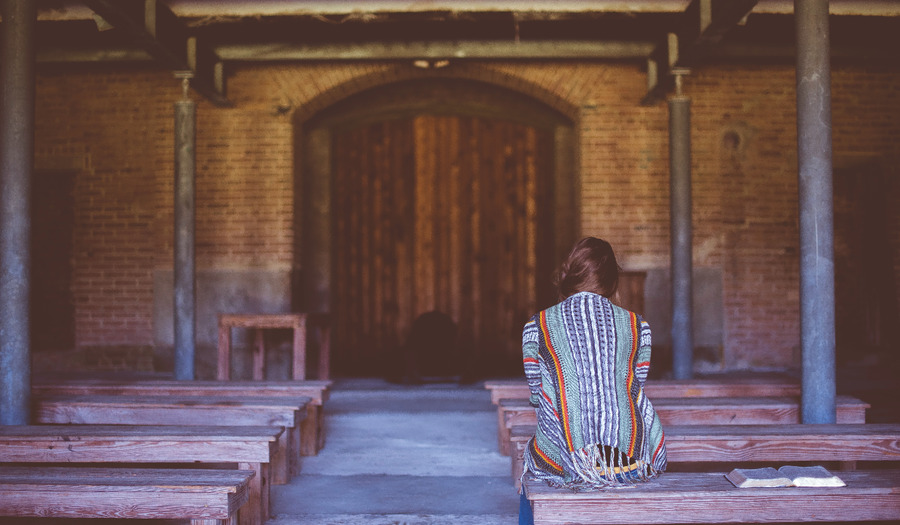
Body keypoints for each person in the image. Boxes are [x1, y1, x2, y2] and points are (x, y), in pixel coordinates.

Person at [519, 237, 667, 522]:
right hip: (628, 457)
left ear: (569, 276)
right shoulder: (638, 326)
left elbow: (537, 396)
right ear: (612, 281)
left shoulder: (537, 326)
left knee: (530, 476)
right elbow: (636, 386)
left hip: (566, 460)